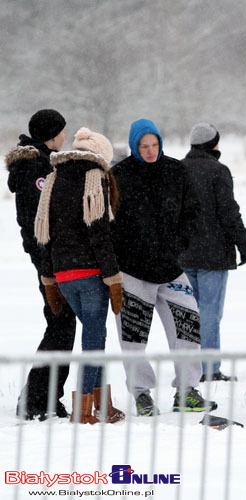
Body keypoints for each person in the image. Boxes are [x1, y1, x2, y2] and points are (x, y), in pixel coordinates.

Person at [111, 118, 217, 415]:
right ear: (134, 146)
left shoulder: (175, 170)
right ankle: (142, 394)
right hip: (132, 271)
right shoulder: (119, 175)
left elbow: (192, 212)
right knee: (132, 335)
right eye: (143, 146)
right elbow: (109, 224)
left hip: (171, 268)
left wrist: (179, 245)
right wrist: (122, 255)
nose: (150, 151)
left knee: (188, 326)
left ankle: (187, 390)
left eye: (154, 145)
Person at [34, 127, 125, 424]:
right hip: (90, 273)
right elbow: (99, 233)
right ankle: (83, 411)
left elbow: (44, 232)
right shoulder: (93, 178)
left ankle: (103, 404)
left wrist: (49, 278)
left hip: (63, 273)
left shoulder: (54, 179)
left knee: (94, 334)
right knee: (94, 342)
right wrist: (113, 278)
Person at [6, 109, 77, 420]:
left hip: (53, 260)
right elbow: (36, 222)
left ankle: (44, 397)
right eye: (62, 129)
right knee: (61, 325)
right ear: (52, 133)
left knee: (61, 325)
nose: (65, 134)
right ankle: (38, 399)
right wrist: (46, 264)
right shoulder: (38, 168)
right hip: (50, 263)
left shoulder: (42, 162)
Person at [179, 123, 246, 382]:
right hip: (213, 254)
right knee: (210, 313)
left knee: (188, 312)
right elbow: (228, 211)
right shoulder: (218, 171)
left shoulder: (179, 169)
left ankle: (189, 367)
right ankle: (209, 368)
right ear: (214, 144)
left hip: (184, 254)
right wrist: (243, 243)